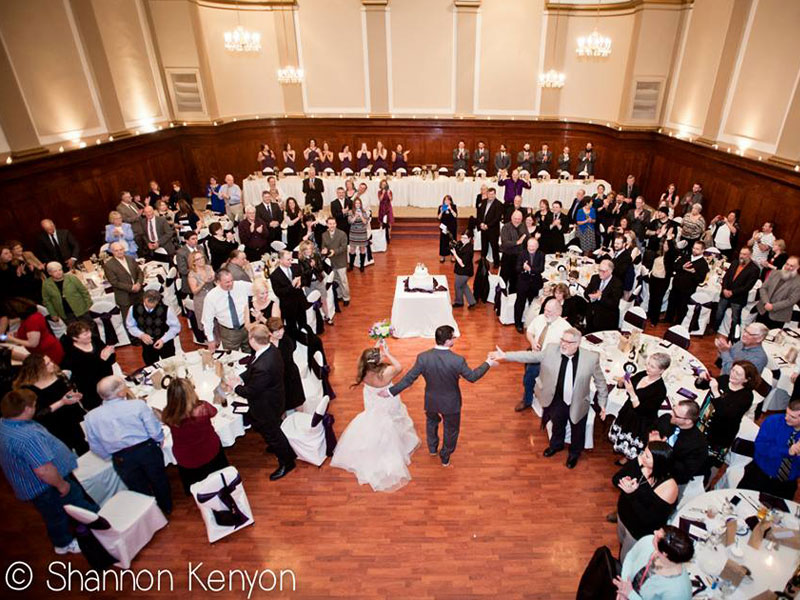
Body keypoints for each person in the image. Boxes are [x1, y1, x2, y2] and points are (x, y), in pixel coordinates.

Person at [0, 389, 100, 555]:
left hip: (29, 482)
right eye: (33, 406)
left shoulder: (5, 424)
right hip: (47, 486)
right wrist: (62, 485)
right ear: (25, 410)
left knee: (54, 514)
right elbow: (44, 470)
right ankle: (66, 542)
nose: (35, 408)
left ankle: (66, 538)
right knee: (62, 512)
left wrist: (61, 402)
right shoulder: (27, 437)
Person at [492, 327, 608, 468]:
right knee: (557, 425)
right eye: (562, 340)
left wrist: (602, 403)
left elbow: (600, 382)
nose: (563, 344)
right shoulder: (552, 350)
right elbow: (531, 356)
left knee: (578, 430)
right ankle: (556, 445)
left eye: (568, 342)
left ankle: (574, 454)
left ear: (577, 344)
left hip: (578, 402)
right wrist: (506, 355)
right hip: (557, 399)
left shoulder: (591, 358)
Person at [384, 325, 494, 467]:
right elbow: (472, 377)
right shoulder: (457, 360)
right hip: (451, 403)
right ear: (448, 341)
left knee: (431, 423)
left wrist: (390, 391)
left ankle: (432, 448)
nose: (454, 339)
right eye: (453, 337)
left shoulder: (423, 357)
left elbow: (408, 379)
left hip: (431, 400)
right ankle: (445, 456)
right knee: (451, 430)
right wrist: (488, 362)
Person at [332, 341, 419, 491]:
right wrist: (388, 353)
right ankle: (396, 445)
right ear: (378, 361)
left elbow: (366, 359)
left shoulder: (363, 372)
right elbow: (400, 367)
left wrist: (375, 349)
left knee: (375, 423)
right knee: (395, 420)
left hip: (373, 402)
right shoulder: (386, 373)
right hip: (388, 402)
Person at [85, 376, 172, 514]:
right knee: (158, 479)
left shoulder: (91, 417)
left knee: (137, 487)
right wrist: (159, 439)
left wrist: (110, 456)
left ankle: (150, 512)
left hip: (121, 458)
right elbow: (154, 429)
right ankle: (166, 507)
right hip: (146, 450)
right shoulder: (137, 405)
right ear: (120, 393)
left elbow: (94, 445)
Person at [230, 324, 296, 480]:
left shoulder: (263, 366)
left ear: (252, 340)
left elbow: (251, 391)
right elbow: (252, 369)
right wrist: (241, 377)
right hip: (275, 398)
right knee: (269, 430)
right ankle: (276, 446)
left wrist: (235, 386)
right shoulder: (270, 349)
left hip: (267, 405)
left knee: (273, 433)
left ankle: (287, 462)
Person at [612, 442, 678, 562]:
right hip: (623, 518)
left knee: (627, 559)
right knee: (621, 546)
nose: (641, 456)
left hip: (637, 531)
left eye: (647, 456)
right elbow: (616, 478)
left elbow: (649, 519)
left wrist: (632, 494)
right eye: (643, 452)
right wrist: (625, 481)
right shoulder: (641, 463)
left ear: (659, 462)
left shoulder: (669, 488)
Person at [162, 378, 228, 495]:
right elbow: (214, 412)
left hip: (186, 459)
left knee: (199, 488)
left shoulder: (168, 414)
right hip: (210, 451)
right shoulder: (202, 408)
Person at [13, 354, 87, 453]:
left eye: (50, 361)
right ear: (38, 370)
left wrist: (73, 396)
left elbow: (67, 391)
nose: (52, 364)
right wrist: (62, 402)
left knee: (82, 445)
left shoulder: (58, 375)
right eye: (47, 364)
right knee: (63, 451)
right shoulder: (28, 390)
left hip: (70, 418)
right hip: (52, 425)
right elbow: (38, 414)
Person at [608, 354, 670, 462]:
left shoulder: (660, 390)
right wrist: (622, 382)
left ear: (662, 370)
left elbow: (642, 410)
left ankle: (627, 459)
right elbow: (625, 385)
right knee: (622, 434)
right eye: (648, 364)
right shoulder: (642, 374)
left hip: (640, 422)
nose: (648, 368)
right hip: (627, 413)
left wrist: (632, 392)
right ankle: (622, 452)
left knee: (631, 442)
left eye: (652, 366)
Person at [737, 398, 800, 500]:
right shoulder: (773, 421)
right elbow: (761, 447)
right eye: (787, 413)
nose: (786, 418)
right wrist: (788, 451)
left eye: (792, 417)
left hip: (785, 486)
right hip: (759, 476)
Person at [517, 299, 571, 413]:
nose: (546, 313)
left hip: (551, 362)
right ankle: (527, 400)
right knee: (528, 378)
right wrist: (532, 342)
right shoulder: (539, 319)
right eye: (545, 309)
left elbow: (569, 347)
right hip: (535, 356)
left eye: (549, 311)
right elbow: (529, 332)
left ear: (558, 312)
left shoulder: (565, 327)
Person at [613, 527, 693, 600]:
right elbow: (631, 557)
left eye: (658, 537)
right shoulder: (648, 541)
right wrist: (624, 585)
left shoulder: (679, 593)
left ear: (664, 553)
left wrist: (630, 595)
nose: (655, 532)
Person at [705, 360, 759, 467]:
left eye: (737, 373)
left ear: (746, 379)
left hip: (721, 433)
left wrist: (716, 392)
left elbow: (725, 413)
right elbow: (701, 386)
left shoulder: (746, 397)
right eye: (733, 370)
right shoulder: (725, 379)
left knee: (709, 463)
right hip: (705, 422)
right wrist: (702, 379)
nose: (732, 374)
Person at [60, 320, 115, 412]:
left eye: (88, 331)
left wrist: (109, 355)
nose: (89, 335)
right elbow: (87, 374)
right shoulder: (72, 354)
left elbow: (110, 357)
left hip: (107, 380)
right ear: (75, 338)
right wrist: (102, 359)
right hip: (91, 390)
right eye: (85, 334)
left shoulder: (95, 340)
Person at [651, 400, 708, 487]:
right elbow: (650, 431)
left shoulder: (698, 445)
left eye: (676, 415)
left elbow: (683, 474)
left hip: (669, 480)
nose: (671, 414)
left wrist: (662, 450)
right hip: (650, 465)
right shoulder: (666, 419)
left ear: (688, 421)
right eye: (673, 410)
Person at [714, 246, 760, 339]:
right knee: (719, 313)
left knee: (735, 318)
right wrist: (724, 289)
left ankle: (733, 336)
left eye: (744, 254)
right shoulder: (735, 263)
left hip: (738, 297)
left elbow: (748, 287)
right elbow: (726, 277)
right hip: (725, 294)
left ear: (750, 255)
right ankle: (715, 329)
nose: (741, 256)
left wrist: (732, 292)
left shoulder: (754, 269)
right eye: (741, 254)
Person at [125, 290, 181, 366]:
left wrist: (163, 340)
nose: (150, 306)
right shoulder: (133, 309)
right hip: (147, 344)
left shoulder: (166, 309)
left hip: (166, 343)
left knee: (170, 365)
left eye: (153, 304)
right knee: (151, 367)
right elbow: (130, 326)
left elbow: (176, 327)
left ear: (158, 301)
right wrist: (141, 335)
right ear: (144, 299)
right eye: (148, 303)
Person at [202, 269, 252, 352]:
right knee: (230, 357)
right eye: (227, 282)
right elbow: (207, 320)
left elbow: (257, 288)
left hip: (247, 328)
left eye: (232, 280)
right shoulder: (211, 297)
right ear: (218, 282)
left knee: (250, 354)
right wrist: (211, 340)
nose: (231, 284)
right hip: (229, 333)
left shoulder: (241, 285)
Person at [5, 298, 65, 365]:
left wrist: (13, 339)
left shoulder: (32, 321)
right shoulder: (34, 315)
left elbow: (33, 343)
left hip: (48, 352)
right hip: (47, 349)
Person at [664, 241, 709, 325]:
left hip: (687, 290)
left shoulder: (703, 264)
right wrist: (682, 267)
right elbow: (675, 266)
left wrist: (693, 272)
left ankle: (677, 323)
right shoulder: (686, 256)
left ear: (703, 250)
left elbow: (701, 280)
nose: (694, 250)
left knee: (682, 307)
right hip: (676, 285)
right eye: (694, 248)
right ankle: (668, 318)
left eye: (697, 249)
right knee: (671, 303)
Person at [266, 317, 305, 412]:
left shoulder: (287, 341)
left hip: (290, 375)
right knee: (280, 406)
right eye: (276, 331)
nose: (280, 333)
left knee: (297, 402)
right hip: (276, 379)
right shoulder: (266, 343)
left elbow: (284, 360)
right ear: (270, 333)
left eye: (281, 329)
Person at [756, 255, 800, 329]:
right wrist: (766, 302)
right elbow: (763, 288)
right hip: (763, 310)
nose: (788, 267)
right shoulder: (774, 273)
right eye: (787, 264)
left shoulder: (798, 282)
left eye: (791, 266)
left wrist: (773, 307)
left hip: (778, 316)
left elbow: (791, 300)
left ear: (798, 267)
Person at [269, 250, 308, 333]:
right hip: (288, 306)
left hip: (300, 301)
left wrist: (301, 282)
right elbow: (279, 293)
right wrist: (291, 286)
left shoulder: (296, 267)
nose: (291, 261)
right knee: (292, 328)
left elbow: (305, 280)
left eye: (291, 259)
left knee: (304, 324)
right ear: (280, 260)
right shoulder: (274, 275)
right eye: (288, 260)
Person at [103, 241, 143, 319]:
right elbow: (114, 282)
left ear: (124, 249)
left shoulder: (130, 259)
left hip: (139, 294)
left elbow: (140, 272)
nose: (119, 252)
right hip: (125, 297)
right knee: (129, 320)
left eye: (121, 249)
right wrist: (131, 287)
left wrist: (138, 283)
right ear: (112, 252)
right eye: (116, 250)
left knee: (143, 316)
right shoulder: (109, 265)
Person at [297, 240, 333, 325]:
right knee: (312, 302)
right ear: (303, 250)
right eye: (306, 249)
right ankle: (316, 320)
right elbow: (303, 274)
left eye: (310, 248)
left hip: (319, 281)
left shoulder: (316, 256)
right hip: (309, 284)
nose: (308, 251)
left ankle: (327, 316)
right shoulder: (301, 260)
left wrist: (315, 266)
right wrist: (310, 267)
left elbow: (321, 269)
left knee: (324, 300)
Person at [514, 237, 545, 333]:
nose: (531, 248)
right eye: (529, 246)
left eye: (533, 246)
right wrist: (523, 268)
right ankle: (518, 323)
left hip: (535, 283)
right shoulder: (521, 254)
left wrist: (530, 269)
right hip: (523, 283)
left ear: (537, 246)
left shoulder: (541, 254)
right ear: (527, 246)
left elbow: (541, 269)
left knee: (533, 304)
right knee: (520, 304)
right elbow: (517, 268)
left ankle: (531, 323)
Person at [584, 259, 623, 333]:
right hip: (591, 316)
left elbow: (614, 304)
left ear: (611, 271)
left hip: (606, 319)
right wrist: (592, 297)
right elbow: (586, 293)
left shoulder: (617, 284)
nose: (600, 273)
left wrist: (599, 297)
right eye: (599, 270)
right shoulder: (595, 278)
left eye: (603, 271)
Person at [647, 238, 678, 326]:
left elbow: (673, 252)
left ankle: (654, 320)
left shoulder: (670, 257)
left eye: (667, 245)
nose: (665, 246)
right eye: (664, 244)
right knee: (652, 298)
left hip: (662, 281)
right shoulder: (658, 254)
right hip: (653, 278)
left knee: (658, 300)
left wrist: (670, 239)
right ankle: (650, 315)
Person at [321, 216, 350, 307]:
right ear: (327, 224)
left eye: (333, 223)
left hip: (341, 261)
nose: (332, 225)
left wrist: (334, 251)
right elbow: (323, 246)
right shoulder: (324, 235)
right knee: (335, 279)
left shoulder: (342, 234)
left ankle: (346, 297)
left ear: (336, 224)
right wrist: (324, 250)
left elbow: (344, 247)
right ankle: (339, 295)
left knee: (343, 280)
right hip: (331, 261)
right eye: (330, 224)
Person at [476, 187, 503, 269]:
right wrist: (481, 224)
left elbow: (497, 218)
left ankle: (496, 263)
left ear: (495, 194)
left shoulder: (499, 204)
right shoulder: (483, 202)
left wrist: (487, 225)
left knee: (494, 247)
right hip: (483, 228)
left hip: (493, 230)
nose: (490, 195)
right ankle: (483, 261)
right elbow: (479, 214)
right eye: (489, 194)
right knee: (484, 246)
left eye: (492, 194)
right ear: (487, 194)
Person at [500, 210, 525, 294]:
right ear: (511, 218)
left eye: (519, 219)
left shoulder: (523, 226)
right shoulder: (506, 227)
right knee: (503, 279)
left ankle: (512, 299)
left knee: (515, 279)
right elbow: (505, 242)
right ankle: (501, 299)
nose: (517, 220)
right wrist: (517, 242)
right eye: (515, 218)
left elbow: (527, 239)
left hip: (519, 257)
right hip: (507, 257)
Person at [348, 198, 371, 272]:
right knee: (352, 249)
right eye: (356, 203)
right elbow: (350, 222)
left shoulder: (364, 212)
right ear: (354, 204)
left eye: (359, 203)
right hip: (353, 233)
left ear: (360, 204)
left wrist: (361, 215)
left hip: (362, 233)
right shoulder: (351, 212)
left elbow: (365, 222)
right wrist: (355, 216)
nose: (357, 204)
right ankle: (351, 265)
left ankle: (362, 266)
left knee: (362, 249)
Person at [377, 179, 394, 244]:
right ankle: (381, 235)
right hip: (382, 207)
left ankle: (389, 235)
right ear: (381, 185)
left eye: (385, 184)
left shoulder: (389, 191)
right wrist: (383, 193)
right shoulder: (379, 192)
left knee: (389, 221)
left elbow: (391, 199)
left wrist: (388, 193)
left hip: (388, 207)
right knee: (381, 221)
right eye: (383, 184)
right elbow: (380, 199)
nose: (384, 185)